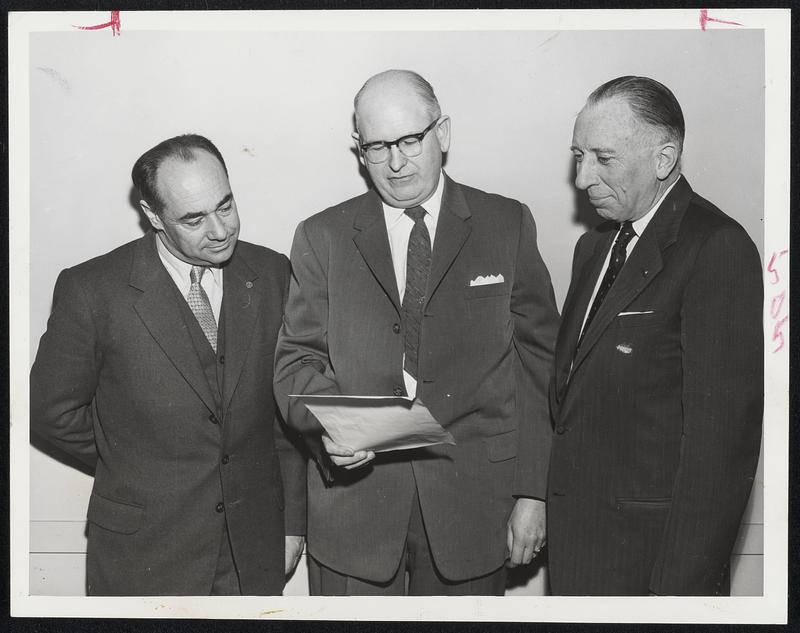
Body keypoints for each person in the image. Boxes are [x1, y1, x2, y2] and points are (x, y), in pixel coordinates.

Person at [274, 69, 559, 596]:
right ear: (359, 151)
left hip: (475, 508)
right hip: (353, 512)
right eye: (377, 146)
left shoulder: (506, 224)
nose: (396, 161)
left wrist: (534, 493)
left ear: (443, 133)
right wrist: (336, 426)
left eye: (410, 140)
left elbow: (541, 367)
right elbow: (295, 364)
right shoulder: (322, 236)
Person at [30, 134, 306, 596]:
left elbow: (287, 415)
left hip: (255, 549)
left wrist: (291, 521)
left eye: (226, 205)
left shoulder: (274, 272)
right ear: (154, 216)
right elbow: (50, 412)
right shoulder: (91, 289)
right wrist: (130, 460)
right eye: (194, 219)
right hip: (143, 554)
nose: (220, 230)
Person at [548, 76, 763, 596]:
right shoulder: (593, 250)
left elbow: (720, 453)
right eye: (578, 155)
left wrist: (674, 598)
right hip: (579, 556)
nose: (582, 178)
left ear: (664, 159)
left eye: (603, 158)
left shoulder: (716, 247)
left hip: (654, 570)